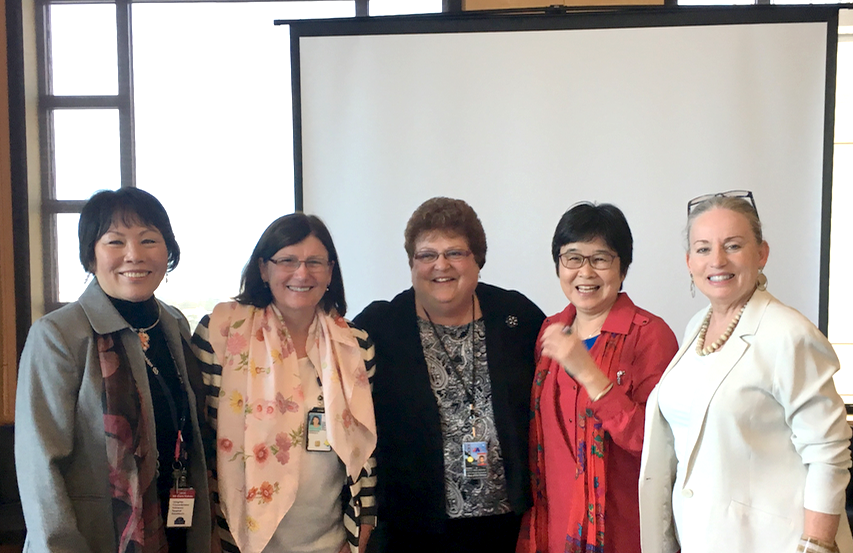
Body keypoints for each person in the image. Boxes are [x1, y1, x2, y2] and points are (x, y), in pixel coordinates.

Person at [639, 191, 853, 553]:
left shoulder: (788, 334)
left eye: (733, 245)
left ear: (762, 254)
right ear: (689, 261)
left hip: (774, 542)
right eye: (703, 249)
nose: (717, 260)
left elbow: (827, 453)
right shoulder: (697, 327)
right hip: (702, 538)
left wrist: (816, 545)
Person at [15, 188, 211, 552]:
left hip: (176, 529)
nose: (134, 255)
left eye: (149, 240)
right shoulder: (60, 335)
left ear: (168, 252)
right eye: (115, 241)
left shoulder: (172, 324)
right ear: (91, 255)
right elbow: (40, 467)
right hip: (97, 539)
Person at [353, 197, 545, 552]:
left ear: (478, 261)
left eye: (455, 253)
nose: (441, 265)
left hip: (506, 528)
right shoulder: (379, 326)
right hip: (412, 531)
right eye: (427, 254)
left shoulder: (516, 317)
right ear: (412, 263)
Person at [192, 213, 377, 553]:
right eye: (287, 261)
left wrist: (364, 522)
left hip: (332, 538)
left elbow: (365, 446)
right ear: (263, 269)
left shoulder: (355, 344)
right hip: (238, 539)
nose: (302, 273)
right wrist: (206, 533)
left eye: (315, 262)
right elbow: (200, 437)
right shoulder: (221, 333)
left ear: (331, 271)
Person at [517, 202, 678, 553]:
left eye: (600, 259)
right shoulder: (550, 330)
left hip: (621, 529)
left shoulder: (650, 335)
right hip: (553, 525)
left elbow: (656, 444)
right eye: (572, 258)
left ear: (623, 267)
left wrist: (589, 372)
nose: (585, 272)